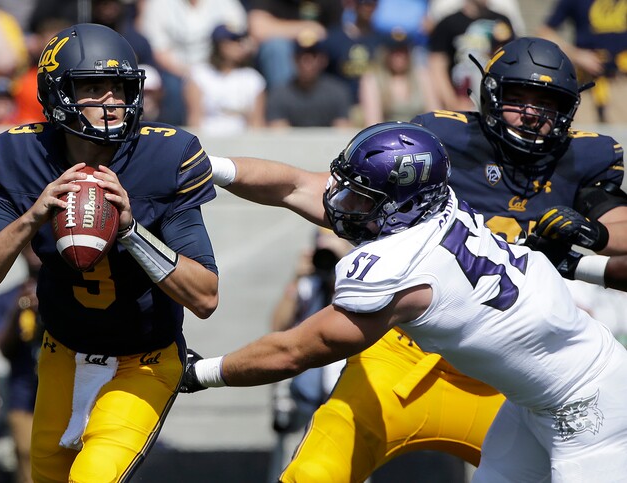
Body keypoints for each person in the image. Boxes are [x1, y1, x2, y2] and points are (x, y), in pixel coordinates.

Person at [189, 36, 627, 482]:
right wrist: (207, 166)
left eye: (546, 102)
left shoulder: (399, 264)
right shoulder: (444, 201)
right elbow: (301, 186)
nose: (532, 113)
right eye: (519, 98)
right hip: (483, 377)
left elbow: (293, 351)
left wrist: (200, 372)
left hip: (567, 400)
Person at [0, 23, 219, 483]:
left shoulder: (166, 156)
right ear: (57, 94)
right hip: (62, 352)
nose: (111, 101)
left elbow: (206, 296)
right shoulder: (22, 154)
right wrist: (33, 216)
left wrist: (132, 231)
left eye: (118, 87)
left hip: (145, 359)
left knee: (93, 477)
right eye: (93, 88)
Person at [266, 228, 350, 482]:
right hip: (302, 400)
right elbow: (277, 325)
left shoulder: (356, 285)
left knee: (345, 466)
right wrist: (296, 278)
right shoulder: (308, 283)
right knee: (289, 466)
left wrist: (344, 266)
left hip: (343, 397)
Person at [0, 243, 43, 483]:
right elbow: (3, 348)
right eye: (28, 244)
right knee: (27, 459)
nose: (33, 250)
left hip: (64, 392)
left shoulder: (68, 293)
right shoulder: (7, 298)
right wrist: (18, 309)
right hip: (23, 395)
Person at [537, 0, 627, 124]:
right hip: (585, 83)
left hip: (621, 82)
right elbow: (544, 32)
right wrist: (577, 55)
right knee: (581, 135)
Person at [427, 0, 515, 111]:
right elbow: (437, 66)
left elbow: (510, 62)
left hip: (493, 101)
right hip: (461, 101)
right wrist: (451, 102)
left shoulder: (502, 21)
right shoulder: (448, 23)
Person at [184, 24, 266, 136]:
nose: (239, 45)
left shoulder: (253, 78)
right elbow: (195, 119)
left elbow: (257, 122)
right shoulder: (199, 74)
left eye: (240, 40)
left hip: (243, 141)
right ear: (219, 44)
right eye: (233, 40)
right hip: (208, 139)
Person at [266, 33, 352, 128]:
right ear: (294, 59)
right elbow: (278, 134)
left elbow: (342, 131)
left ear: (323, 60)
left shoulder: (338, 93)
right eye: (301, 55)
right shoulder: (279, 95)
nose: (307, 61)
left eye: (313, 55)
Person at [358, 30, 436, 127]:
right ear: (385, 53)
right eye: (394, 51)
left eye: (403, 50)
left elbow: (433, 117)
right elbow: (372, 123)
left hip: (420, 135)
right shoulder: (372, 79)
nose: (399, 55)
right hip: (387, 136)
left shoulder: (422, 76)